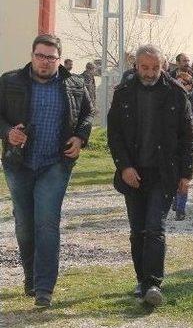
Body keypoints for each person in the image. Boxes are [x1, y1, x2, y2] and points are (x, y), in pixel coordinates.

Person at [0, 34, 94, 307]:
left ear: (58, 59)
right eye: (40, 56)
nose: (44, 62)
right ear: (32, 55)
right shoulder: (9, 81)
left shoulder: (74, 84)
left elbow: (88, 114)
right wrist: (7, 132)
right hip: (19, 164)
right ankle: (31, 277)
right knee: (24, 226)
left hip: (55, 163)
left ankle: (44, 289)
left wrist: (80, 138)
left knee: (46, 222)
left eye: (50, 57)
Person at [107, 44, 193, 307]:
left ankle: (153, 283)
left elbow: (188, 136)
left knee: (155, 227)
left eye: (155, 67)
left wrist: (186, 174)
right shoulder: (123, 93)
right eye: (145, 67)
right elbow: (115, 135)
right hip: (133, 172)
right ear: (136, 66)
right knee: (137, 230)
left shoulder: (176, 94)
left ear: (163, 65)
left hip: (164, 173)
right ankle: (141, 279)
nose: (150, 72)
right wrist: (124, 167)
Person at [172, 72, 193, 220]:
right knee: (173, 177)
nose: (181, 85)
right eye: (178, 82)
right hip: (171, 144)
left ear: (190, 85)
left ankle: (181, 208)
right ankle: (174, 197)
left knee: (185, 178)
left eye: (184, 83)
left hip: (189, 144)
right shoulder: (168, 99)